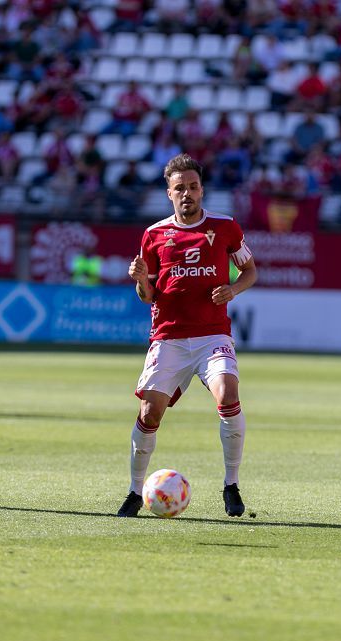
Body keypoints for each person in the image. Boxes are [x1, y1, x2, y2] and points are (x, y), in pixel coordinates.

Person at [118, 153, 258, 518]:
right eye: (179, 188)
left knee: (228, 392)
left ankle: (231, 485)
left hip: (212, 335)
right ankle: (135, 491)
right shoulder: (154, 234)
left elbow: (250, 272)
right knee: (149, 413)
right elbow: (147, 296)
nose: (187, 194)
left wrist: (233, 290)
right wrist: (140, 280)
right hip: (169, 338)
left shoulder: (226, 227)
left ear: (202, 189)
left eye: (193, 187)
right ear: (169, 193)